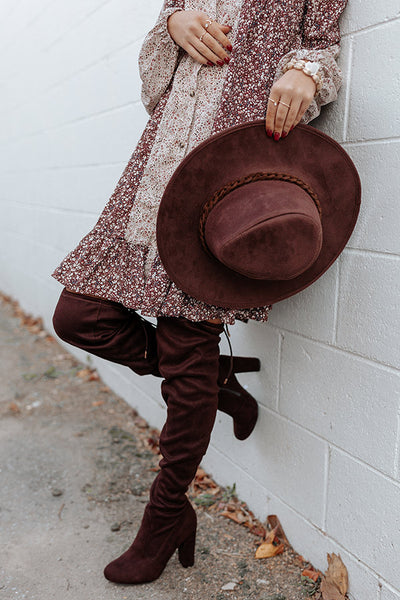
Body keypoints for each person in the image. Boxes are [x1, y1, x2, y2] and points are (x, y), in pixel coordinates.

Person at [51, 0, 348, 585]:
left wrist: (304, 69)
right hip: (162, 162)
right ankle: (211, 379)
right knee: (79, 314)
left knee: (189, 344)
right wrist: (171, 24)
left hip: (231, 170)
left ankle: (166, 515)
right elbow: (164, 43)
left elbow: (322, 40)